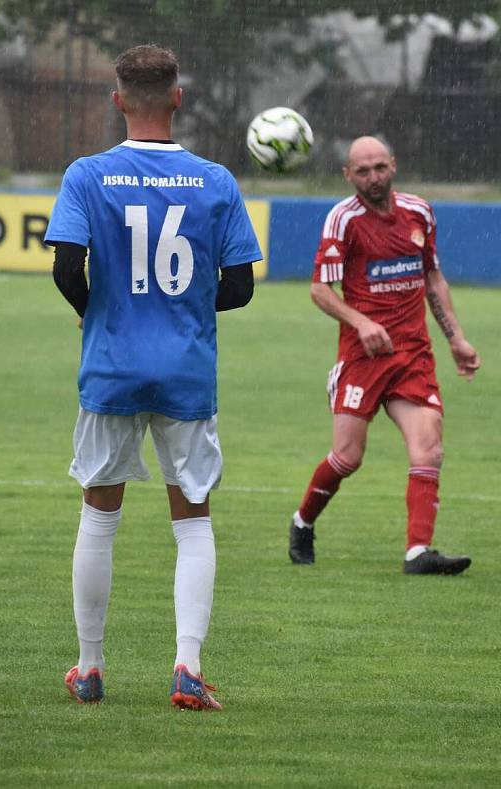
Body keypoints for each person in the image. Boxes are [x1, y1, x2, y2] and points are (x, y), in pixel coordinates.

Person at [45, 45, 261, 710]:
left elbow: (65, 269)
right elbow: (240, 286)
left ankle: (89, 668)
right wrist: (184, 310)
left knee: (99, 513)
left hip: (112, 364)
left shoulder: (88, 174)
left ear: (117, 101)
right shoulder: (215, 181)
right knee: (192, 517)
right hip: (185, 369)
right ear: (178, 97)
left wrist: (100, 313)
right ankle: (188, 667)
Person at [288, 136, 480, 574]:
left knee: (428, 448)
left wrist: (456, 337)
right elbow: (320, 289)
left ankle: (418, 552)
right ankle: (303, 521)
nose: (373, 177)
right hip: (363, 357)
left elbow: (432, 278)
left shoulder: (419, 212)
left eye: (379, 167)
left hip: (412, 355)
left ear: (393, 164)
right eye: (363, 171)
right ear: (348, 175)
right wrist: (362, 322)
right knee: (347, 458)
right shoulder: (343, 220)